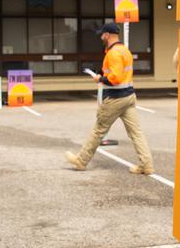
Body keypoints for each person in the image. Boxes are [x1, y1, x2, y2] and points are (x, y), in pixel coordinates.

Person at [65, 23, 154, 174]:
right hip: (129, 96)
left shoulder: (113, 53)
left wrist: (100, 78)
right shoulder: (124, 50)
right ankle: (146, 165)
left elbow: (115, 78)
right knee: (136, 132)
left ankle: (81, 161)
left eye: (102, 34)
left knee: (98, 130)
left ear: (107, 35)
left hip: (115, 98)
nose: (100, 37)